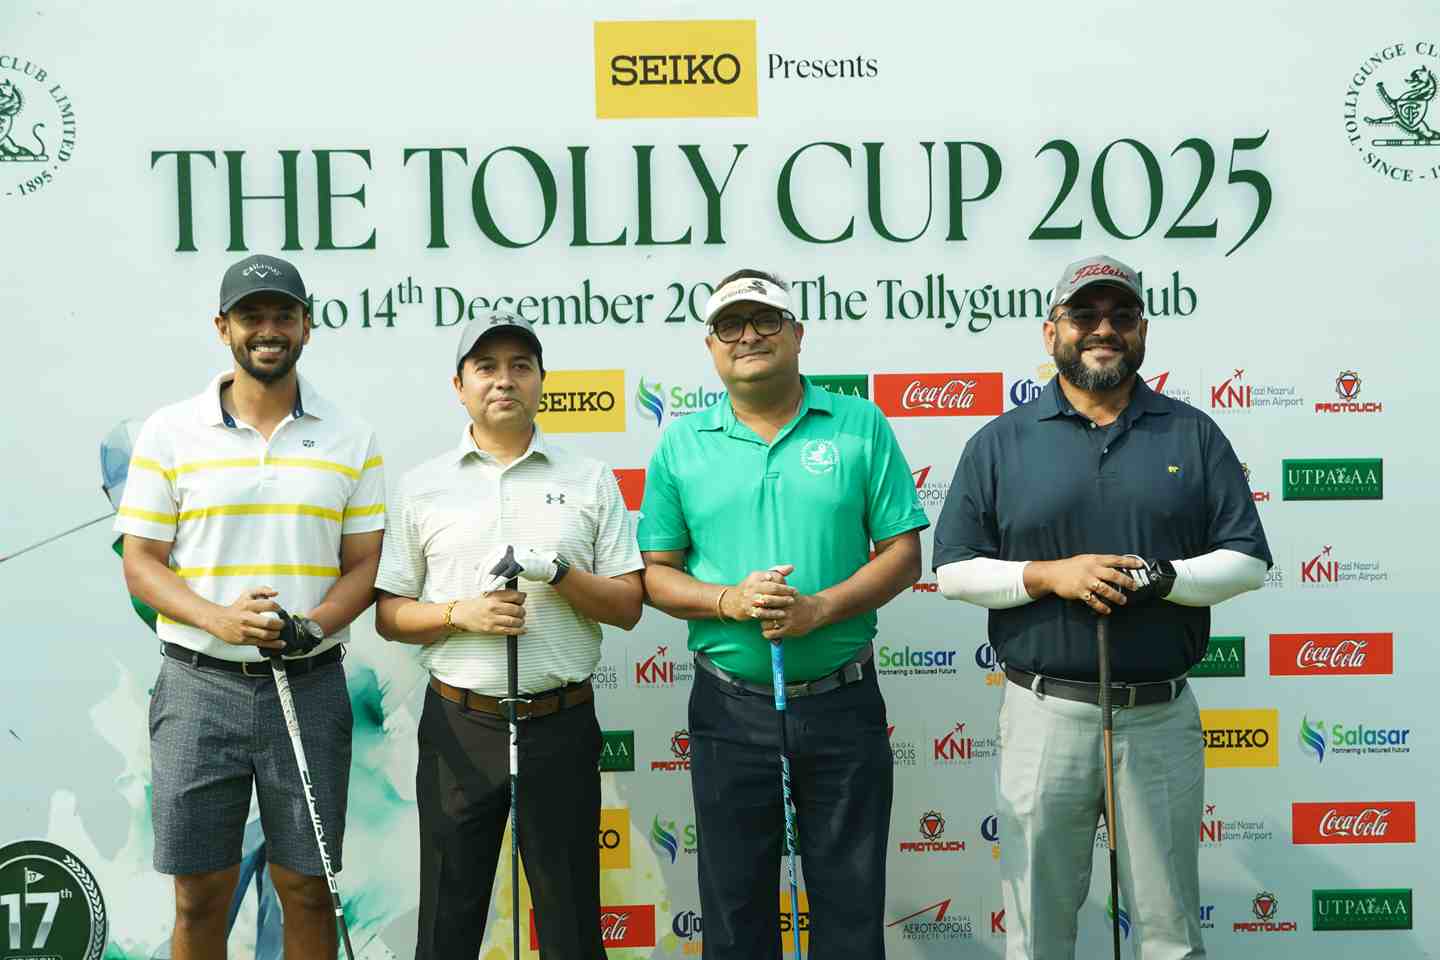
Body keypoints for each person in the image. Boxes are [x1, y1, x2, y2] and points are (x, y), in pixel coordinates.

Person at [933, 254, 1272, 960]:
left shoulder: (1192, 434)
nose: (1103, 329)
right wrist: (1051, 575)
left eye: (1121, 316)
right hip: (1043, 714)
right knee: (1037, 933)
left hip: (1157, 717)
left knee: (1171, 933)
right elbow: (955, 572)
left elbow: (1247, 560)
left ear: (1142, 331)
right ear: (1050, 331)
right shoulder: (1000, 441)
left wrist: (1164, 577)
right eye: (1083, 314)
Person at [638, 269, 928, 959]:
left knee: (851, 908)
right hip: (729, 709)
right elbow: (656, 575)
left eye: (766, 321)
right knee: (734, 911)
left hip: (842, 703)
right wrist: (728, 600)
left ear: (798, 335)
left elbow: (904, 555)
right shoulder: (682, 443)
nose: (749, 337)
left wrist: (820, 609)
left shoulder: (860, 424)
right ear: (710, 346)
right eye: (730, 325)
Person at [117, 253, 386, 959]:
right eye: (251, 317)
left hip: (309, 683)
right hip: (198, 687)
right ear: (223, 328)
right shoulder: (170, 431)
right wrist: (218, 619)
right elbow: (141, 562)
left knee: (308, 888)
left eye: (283, 316)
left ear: (306, 326)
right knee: (200, 893)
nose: (268, 330)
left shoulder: (350, 436)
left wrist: (314, 625)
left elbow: (365, 565)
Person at [374, 312, 643, 960]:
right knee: (447, 926)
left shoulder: (588, 478)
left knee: (571, 929)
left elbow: (628, 606)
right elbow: (390, 615)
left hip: (560, 724)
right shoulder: (422, 486)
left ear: (541, 381)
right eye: (486, 367)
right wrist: (459, 614)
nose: (504, 380)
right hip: (460, 725)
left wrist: (560, 573)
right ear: (459, 385)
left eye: (521, 366)